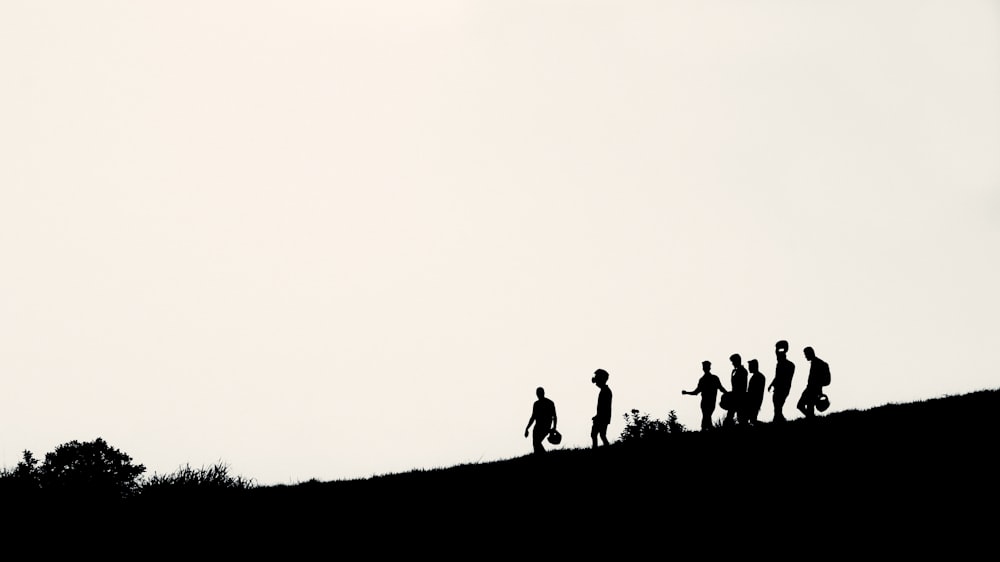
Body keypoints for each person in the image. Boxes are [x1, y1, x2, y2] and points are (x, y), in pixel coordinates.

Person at [682, 360, 728, 430]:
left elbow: (721, 388)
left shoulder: (713, 378)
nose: (705, 368)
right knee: (706, 417)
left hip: (711, 402)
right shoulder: (703, 380)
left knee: (706, 417)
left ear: (709, 368)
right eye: (704, 367)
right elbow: (696, 392)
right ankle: (706, 429)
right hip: (705, 403)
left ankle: (706, 429)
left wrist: (728, 394)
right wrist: (687, 393)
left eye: (706, 366)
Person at [796, 346, 830, 418]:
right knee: (803, 406)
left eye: (806, 354)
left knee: (805, 406)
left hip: (813, 390)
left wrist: (817, 386)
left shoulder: (819, 363)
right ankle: (811, 417)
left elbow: (826, 381)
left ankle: (811, 418)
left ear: (810, 353)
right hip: (810, 389)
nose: (805, 357)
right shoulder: (815, 363)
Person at [768, 340, 795, 422]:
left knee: (778, 406)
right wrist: (772, 384)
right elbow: (777, 376)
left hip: (783, 388)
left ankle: (778, 421)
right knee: (777, 407)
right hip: (780, 388)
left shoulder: (789, 365)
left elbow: (780, 377)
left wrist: (773, 384)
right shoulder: (781, 364)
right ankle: (779, 420)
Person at [524, 387, 557, 454]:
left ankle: (543, 456)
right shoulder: (536, 404)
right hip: (537, 427)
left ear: (543, 393)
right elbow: (533, 417)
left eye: (539, 393)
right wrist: (527, 428)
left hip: (545, 427)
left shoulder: (550, 403)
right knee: (536, 444)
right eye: (537, 394)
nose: (538, 395)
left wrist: (554, 427)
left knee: (537, 443)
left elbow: (554, 416)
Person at [591, 369, 613, 448]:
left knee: (595, 434)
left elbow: (604, 407)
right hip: (604, 417)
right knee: (601, 435)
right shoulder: (605, 390)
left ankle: (595, 450)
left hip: (602, 417)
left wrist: (598, 416)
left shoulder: (605, 391)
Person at [726, 354, 748, 426]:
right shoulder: (735, 371)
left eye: (733, 361)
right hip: (735, 395)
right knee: (731, 415)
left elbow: (741, 385)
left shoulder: (743, 371)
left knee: (741, 416)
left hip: (740, 396)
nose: (732, 363)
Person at [746, 359, 766, 425]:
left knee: (752, 420)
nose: (748, 368)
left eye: (750, 366)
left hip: (753, 402)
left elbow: (755, 392)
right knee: (752, 420)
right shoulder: (759, 376)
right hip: (754, 401)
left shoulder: (758, 377)